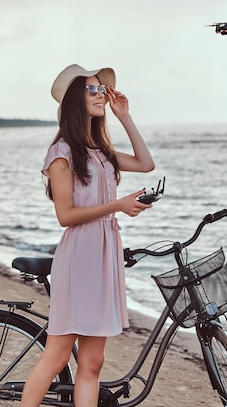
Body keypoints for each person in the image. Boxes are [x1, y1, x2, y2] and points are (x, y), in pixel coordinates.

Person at [21, 64, 155, 407]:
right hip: (80, 257)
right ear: (73, 101)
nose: (100, 95)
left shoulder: (100, 150)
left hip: (104, 256)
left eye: (101, 90)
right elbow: (65, 216)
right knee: (56, 358)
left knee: (93, 362)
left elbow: (145, 163)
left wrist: (124, 116)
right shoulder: (61, 154)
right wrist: (117, 205)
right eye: (92, 90)